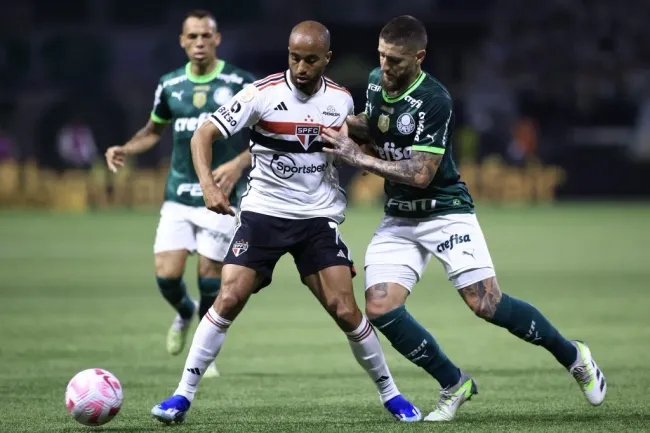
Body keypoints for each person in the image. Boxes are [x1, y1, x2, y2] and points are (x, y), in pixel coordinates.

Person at [321, 15, 606, 422]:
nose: (385, 67)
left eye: (396, 61)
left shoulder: (435, 100)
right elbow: (378, 126)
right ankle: (454, 383)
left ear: (419, 57)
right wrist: (341, 126)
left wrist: (356, 156)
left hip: (444, 210)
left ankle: (574, 355)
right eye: (382, 57)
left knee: (485, 303)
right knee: (381, 308)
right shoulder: (373, 81)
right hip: (400, 216)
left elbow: (421, 174)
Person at [150, 20, 421, 425]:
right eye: (295, 57)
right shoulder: (261, 94)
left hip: (317, 218)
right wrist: (208, 185)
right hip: (264, 214)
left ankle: (392, 394)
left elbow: (361, 141)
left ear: (326, 59)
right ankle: (181, 396)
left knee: (345, 310)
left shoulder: (342, 101)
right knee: (228, 298)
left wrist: (372, 154)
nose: (301, 67)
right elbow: (201, 135)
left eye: (311, 60)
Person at [105, 10, 256, 378]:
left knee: (209, 277)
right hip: (177, 196)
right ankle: (186, 312)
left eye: (206, 36)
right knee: (166, 276)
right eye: (192, 37)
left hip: (219, 198)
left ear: (217, 39)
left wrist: (238, 163)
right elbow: (154, 130)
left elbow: (268, 137)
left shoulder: (240, 82)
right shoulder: (170, 85)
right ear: (182, 41)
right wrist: (126, 147)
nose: (199, 43)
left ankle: (203, 353)